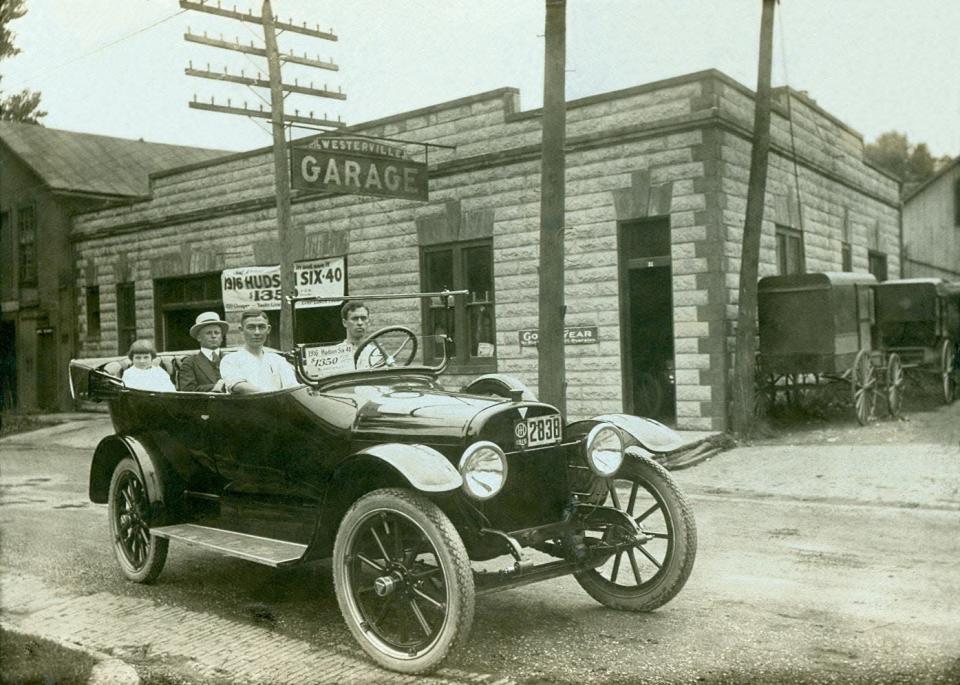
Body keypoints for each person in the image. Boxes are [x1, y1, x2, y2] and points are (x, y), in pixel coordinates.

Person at [219, 307, 299, 394]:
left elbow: (293, 388)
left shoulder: (278, 360)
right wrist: (272, 396)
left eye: (261, 327)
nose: (257, 332)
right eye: (251, 327)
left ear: (268, 329)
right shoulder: (230, 360)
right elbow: (239, 386)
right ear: (241, 330)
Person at [178, 311, 228, 392]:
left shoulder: (231, 359)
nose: (213, 336)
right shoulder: (190, 363)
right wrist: (215, 387)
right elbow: (187, 390)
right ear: (199, 337)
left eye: (217, 333)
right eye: (208, 333)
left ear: (222, 337)